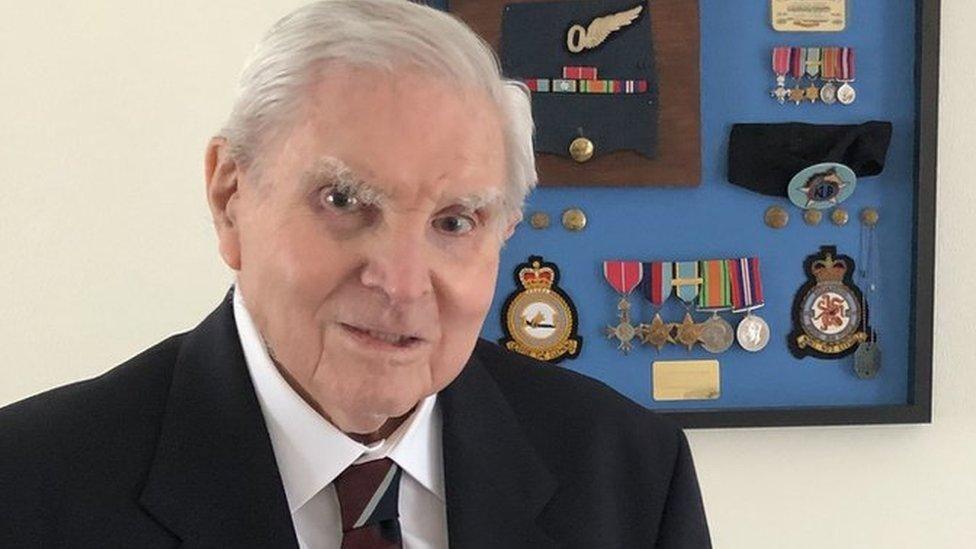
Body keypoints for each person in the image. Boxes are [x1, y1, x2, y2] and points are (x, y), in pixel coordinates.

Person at [0, 1, 710, 547]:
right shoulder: (30, 487)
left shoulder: (629, 478)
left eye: (454, 221)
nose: (401, 283)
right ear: (229, 196)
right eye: (344, 201)